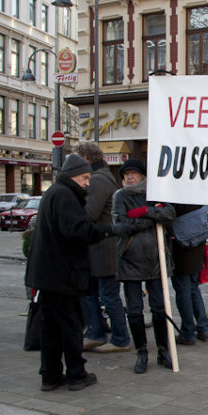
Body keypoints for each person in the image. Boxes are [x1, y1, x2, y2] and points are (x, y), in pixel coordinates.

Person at [25, 153, 134, 391]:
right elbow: (78, 231)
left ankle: (50, 375)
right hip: (63, 273)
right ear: (73, 176)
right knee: (70, 326)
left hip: (48, 273)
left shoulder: (53, 193)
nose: (87, 183)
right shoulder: (65, 195)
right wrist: (111, 230)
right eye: (84, 178)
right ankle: (76, 374)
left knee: (51, 327)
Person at [112, 159, 176, 374]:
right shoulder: (120, 196)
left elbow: (170, 214)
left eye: (133, 173)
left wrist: (143, 211)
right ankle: (141, 352)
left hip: (156, 260)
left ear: (142, 175)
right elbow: (122, 225)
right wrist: (152, 216)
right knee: (134, 310)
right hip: (129, 259)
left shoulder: (155, 193)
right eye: (126, 174)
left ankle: (163, 350)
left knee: (159, 309)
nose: (129, 177)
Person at [73, 141, 130, 353]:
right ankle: (95, 333)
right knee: (92, 293)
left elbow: (89, 213)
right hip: (99, 248)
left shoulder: (98, 180)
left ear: (86, 158)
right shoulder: (102, 177)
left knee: (107, 295)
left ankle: (119, 338)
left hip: (103, 249)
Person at [170, 203, 208, 344]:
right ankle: (203, 327)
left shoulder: (176, 197)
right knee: (193, 288)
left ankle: (188, 331)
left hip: (180, 246)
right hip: (197, 243)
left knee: (183, 290)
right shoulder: (200, 195)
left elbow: (168, 215)